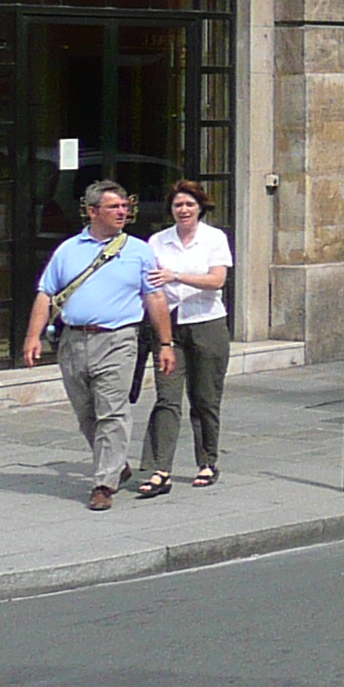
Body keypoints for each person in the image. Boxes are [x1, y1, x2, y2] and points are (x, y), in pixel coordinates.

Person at [18, 181, 176, 511]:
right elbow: (46, 293)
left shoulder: (138, 250)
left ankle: (103, 483)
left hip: (118, 339)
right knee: (86, 414)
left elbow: (155, 297)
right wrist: (32, 338)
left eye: (124, 206)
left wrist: (165, 343)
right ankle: (115, 462)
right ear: (92, 211)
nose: (123, 212)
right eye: (114, 207)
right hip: (74, 340)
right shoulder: (68, 250)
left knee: (113, 412)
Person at [139, 180, 233, 495]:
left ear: (200, 208)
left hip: (207, 323)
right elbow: (149, 283)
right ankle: (159, 469)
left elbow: (217, 280)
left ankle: (207, 461)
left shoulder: (214, 238)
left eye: (189, 205)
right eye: (178, 205)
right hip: (169, 327)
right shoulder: (157, 241)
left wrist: (175, 276)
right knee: (166, 398)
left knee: (205, 397)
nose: (183, 210)